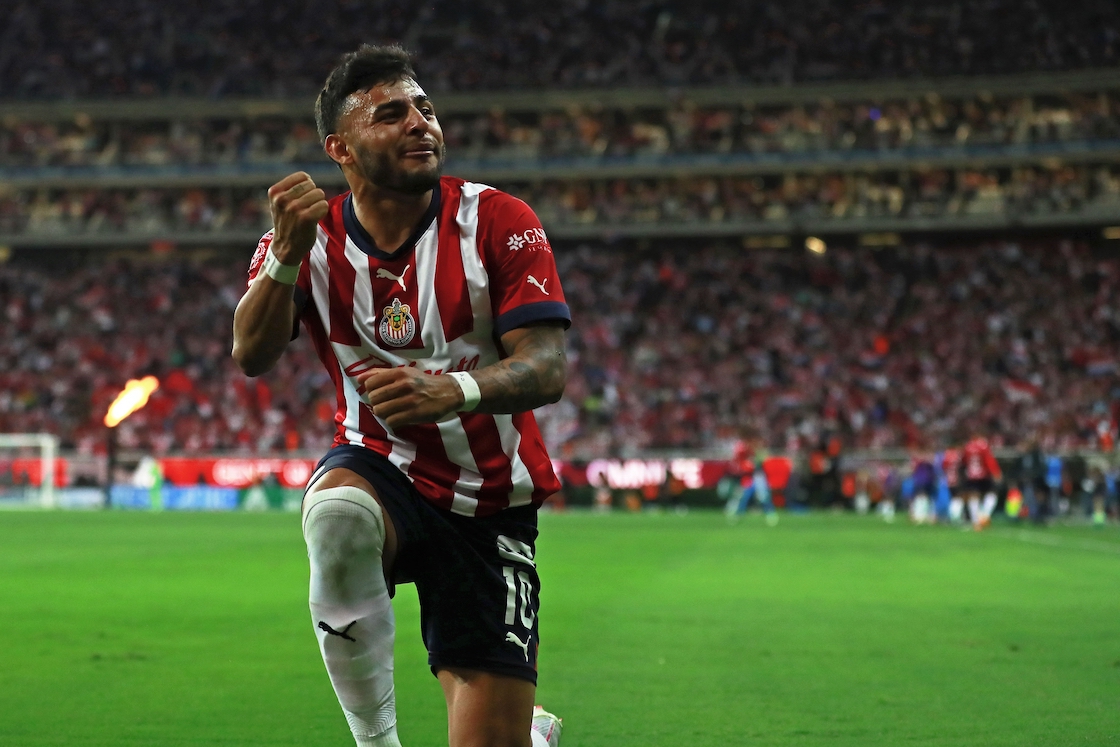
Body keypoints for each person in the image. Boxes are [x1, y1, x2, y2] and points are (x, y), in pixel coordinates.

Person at [232, 44, 567, 747]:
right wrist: (286, 255)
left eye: (425, 108)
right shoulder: (306, 238)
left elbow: (546, 368)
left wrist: (454, 390)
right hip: (379, 461)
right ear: (340, 148)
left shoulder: (499, 220)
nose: (420, 123)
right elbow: (252, 354)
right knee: (338, 513)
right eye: (390, 115)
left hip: (488, 498)